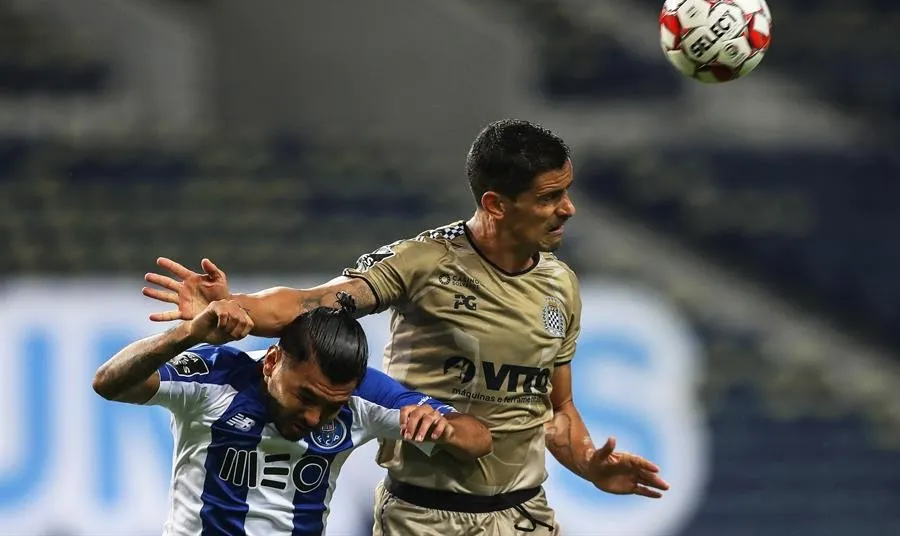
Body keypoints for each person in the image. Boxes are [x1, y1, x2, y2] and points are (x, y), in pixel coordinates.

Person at [142, 119, 670, 535]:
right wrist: (235, 309)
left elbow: (556, 409)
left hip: (523, 516)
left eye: (567, 192)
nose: (567, 209)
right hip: (425, 519)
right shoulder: (425, 262)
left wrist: (588, 465)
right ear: (495, 205)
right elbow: (313, 302)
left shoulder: (561, 286)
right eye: (549, 198)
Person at [93, 291, 492, 536]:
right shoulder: (219, 376)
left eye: (331, 407)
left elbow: (478, 438)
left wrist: (444, 428)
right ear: (271, 363)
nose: (316, 418)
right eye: (305, 396)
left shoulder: (361, 395)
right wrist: (187, 335)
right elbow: (109, 383)